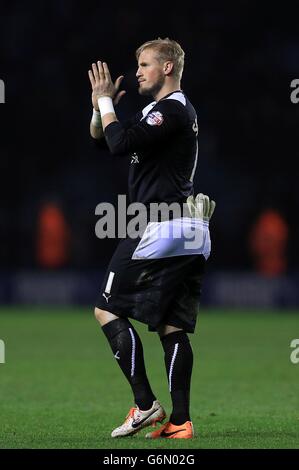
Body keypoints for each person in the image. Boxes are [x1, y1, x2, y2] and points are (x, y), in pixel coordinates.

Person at [88, 38, 215, 439]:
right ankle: (180, 422)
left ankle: (145, 405)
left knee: (106, 310)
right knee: (171, 325)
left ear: (167, 69)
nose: (138, 70)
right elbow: (103, 139)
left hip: (156, 224)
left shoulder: (171, 110)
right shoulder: (162, 112)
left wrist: (108, 102)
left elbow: (119, 143)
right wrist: (99, 106)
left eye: (144, 64)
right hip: (188, 228)